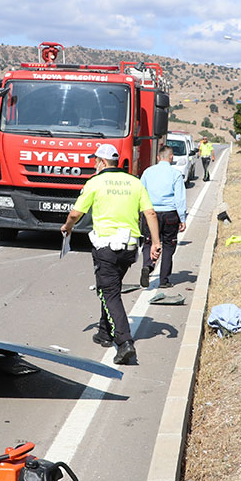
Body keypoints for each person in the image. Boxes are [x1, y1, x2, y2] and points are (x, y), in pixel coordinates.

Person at [60, 143, 161, 365]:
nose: (94, 164)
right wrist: (155, 242)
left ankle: (125, 343)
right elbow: (150, 213)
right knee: (111, 287)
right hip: (129, 249)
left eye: (95, 160)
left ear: (103, 163)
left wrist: (67, 227)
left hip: (106, 247)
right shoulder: (135, 182)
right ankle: (104, 333)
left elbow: (76, 213)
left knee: (109, 293)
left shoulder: (95, 183)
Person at [138, 143, 187, 289]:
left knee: (149, 242)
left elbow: (141, 193)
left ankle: (148, 265)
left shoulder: (148, 172)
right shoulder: (176, 174)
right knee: (168, 246)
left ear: (158, 157)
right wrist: (182, 218)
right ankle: (164, 280)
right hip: (170, 214)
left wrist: (139, 213)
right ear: (171, 157)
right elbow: (180, 199)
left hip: (150, 212)